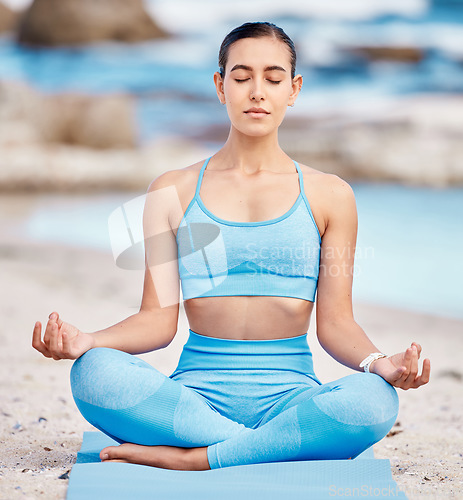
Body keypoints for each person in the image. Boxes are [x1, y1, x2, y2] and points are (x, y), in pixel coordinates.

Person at [32, 22, 431, 471]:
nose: (257, 91)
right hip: (191, 402)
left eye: (274, 79)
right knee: (92, 372)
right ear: (221, 87)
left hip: (291, 398)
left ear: (294, 89)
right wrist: (87, 341)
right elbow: (157, 322)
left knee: (375, 400)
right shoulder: (173, 191)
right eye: (241, 78)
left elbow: (336, 324)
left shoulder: (331, 196)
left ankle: (197, 459)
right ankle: (262, 449)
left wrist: (381, 364)